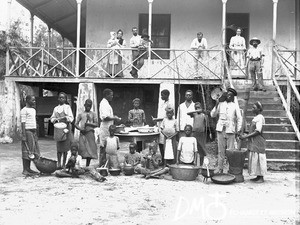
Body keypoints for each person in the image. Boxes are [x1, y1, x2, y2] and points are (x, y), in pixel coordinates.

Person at [210, 87, 242, 174]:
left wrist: (238, 130)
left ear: (233, 97)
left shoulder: (235, 105)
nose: (228, 96)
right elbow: (212, 115)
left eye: (230, 95)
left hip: (230, 130)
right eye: (227, 95)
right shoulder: (221, 104)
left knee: (230, 151)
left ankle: (230, 169)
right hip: (220, 130)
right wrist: (216, 104)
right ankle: (220, 168)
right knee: (220, 151)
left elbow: (239, 118)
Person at [239, 101, 267, 183]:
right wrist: (245, 133)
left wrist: (245, 137)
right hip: (254, 141)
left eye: (254, 108)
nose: (252, 109)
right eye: (252, 107)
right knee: (255, 158)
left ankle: (261, 177)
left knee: (259, 159)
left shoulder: (260, 117)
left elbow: (258, 131)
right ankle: (258, 176)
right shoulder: (255, 118)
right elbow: (253, 130)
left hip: (258, 141)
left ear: (259, 109)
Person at [50, 92, 74, 169]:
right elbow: (52, 118)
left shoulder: (67, 107)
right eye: (60, 97)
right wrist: (55, 120)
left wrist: (65, 118)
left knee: (65, 147)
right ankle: (59, 163)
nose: (61, 99)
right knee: (59, 147)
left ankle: (64, 163)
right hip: (58, 129)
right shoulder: (55, 108)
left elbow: (71, 118)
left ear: (65, 99)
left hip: (66, 128)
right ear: (58, 99)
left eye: (63, 98)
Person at [99, 88, 121, 167]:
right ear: (106, 95)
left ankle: (107, 164)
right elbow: (105, 117)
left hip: (108, 127)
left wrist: (114, 117)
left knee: (108, 147)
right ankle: (102, 165)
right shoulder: (103, 103)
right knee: (103, 146)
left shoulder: (106, 103)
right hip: (105, 128)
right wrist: (114, 118)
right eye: (111, 95)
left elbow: (109, 116)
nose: (112, 96)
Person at [75, 99, 98, 167]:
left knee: (90, 150)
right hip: (83, 133)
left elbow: (96, 124)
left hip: (90, 133)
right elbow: (75, 124)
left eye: (90, 106)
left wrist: (89, 122)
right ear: (84, 105)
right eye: (87, 105)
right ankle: (80, 165)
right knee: (82, 149)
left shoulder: (93, 114)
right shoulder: (81, 114)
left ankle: (87, 165)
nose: (88, 107)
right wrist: (80, 129)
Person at [20, 95, 40, 175]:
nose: (34, 102)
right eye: (33, 100)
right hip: (27, 132)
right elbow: (23, 123)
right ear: (27, 100)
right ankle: (25, 170)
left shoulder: (33, 110)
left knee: (32, 150)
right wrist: (24, 135)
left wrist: (36, 133)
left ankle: (28, 168)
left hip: (33, 132)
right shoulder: (24, 110)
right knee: (27, 151)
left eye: (34, 100)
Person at [154, 89, 173, 162]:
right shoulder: (163, 104)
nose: (161, 96)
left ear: (167, 95)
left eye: (162, 95)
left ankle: (166, 160)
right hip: (160, 125)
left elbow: (167, 116)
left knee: (165, 143)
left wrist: (157, 119)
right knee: (160, 143)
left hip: (166, 125)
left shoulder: (169, 104)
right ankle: (163, 159)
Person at [188, 102, 208, 166]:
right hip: (194, 133)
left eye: (199, 107)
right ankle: (194, 164)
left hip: (201, 133)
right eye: (196, 108)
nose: (197, 109)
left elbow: (207, 124)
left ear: (201, 107)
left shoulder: (203, 115)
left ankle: (201, 165)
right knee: (194, 149)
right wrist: (196, 111)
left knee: (201, 149)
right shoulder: (194, 114)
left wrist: (204, 112)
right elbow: (188, 113)